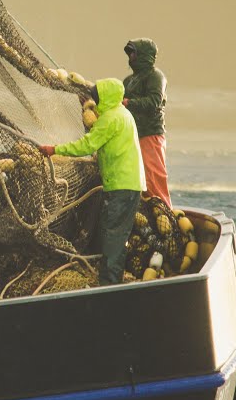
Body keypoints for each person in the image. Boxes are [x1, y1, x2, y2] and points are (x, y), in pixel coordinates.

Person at [39, 79, 145, 286]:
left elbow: (87, 145)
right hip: (127, 183)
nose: (95, 100)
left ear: (105, 97)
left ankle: (109, 285)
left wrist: (54, 150)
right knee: (111, 231)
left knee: (114, 236)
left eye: (97, 97)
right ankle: (110, 279)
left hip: (122, 185)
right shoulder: (121, 113)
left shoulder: (110, 118)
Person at [122, 38, 170, 208]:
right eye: (130, 53)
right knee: (137, 178)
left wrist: (129, 103)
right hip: (131, 135)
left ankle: (164, 211)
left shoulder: (156, 76)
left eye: (134, 53)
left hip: (150, 133)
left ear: (144, 55)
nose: (131, 56)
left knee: (153, 177)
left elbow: (154, 101)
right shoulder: (128, 80)